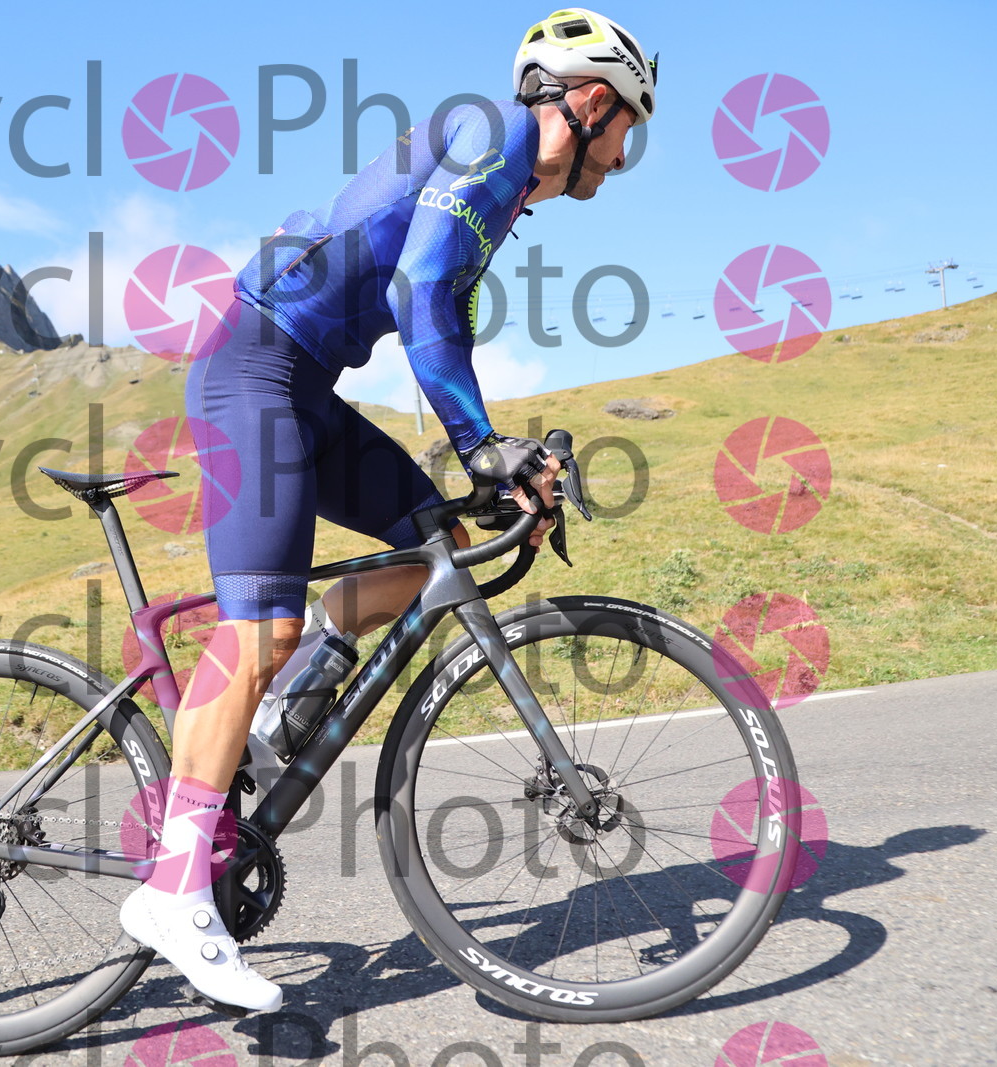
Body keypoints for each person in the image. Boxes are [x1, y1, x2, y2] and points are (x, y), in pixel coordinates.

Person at [118, 7, 657, 1014]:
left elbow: (440, 308)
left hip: (304, 386)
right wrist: (480, 443)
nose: (624, 157)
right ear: (591, 103)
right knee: (258, 627)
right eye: (628, 128)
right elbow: (420, 292)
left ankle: (275, 710)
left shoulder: (504, 183)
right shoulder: (493, 136)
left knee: (436, 546)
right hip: (254, 367)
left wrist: (499, 472)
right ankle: (173, 890)